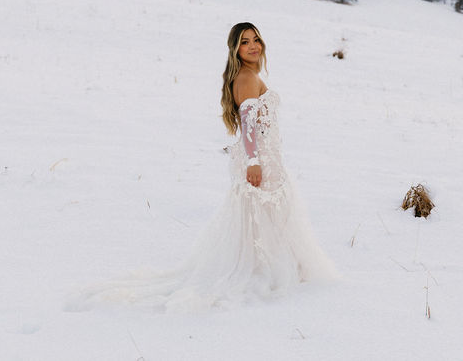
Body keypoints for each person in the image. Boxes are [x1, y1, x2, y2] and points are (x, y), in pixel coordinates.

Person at [69, 22, 337, 312]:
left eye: (256, 39)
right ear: (235, 49)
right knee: (260, 217)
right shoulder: (246, 78)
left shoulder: (250, 75)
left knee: (267, 218)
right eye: (245, 42)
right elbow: (247, 125)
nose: (253, 46)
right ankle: (263, 272)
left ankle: (274, 267)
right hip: (258, 159)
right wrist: (254, 162)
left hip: (266, 156)